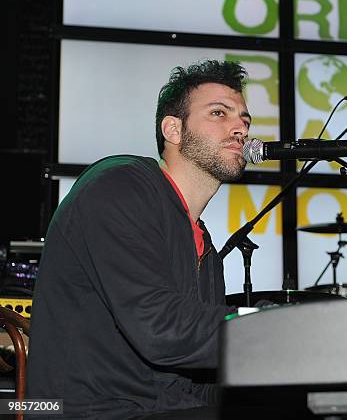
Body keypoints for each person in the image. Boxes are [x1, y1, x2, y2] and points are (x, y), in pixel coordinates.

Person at [26, 60, 252, 419]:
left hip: (162, 409)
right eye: (219, 113)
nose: (240, 127)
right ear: (173, 130)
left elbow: (199, 373)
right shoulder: (120, 187)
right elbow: (160, 329)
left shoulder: (204, 245)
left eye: (244, 119)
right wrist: (271, 328)